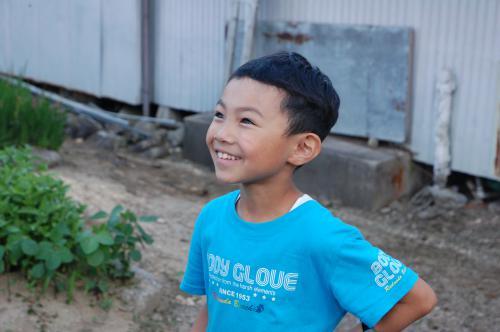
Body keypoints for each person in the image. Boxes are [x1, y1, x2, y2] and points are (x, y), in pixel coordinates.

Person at [180, 51, 437, 331]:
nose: (222, 134)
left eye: (246, 121)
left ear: (302, 148)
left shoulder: (324, 237)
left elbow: (417, 300)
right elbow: (214, 307)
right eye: (220, 115)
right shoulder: (212, 218)